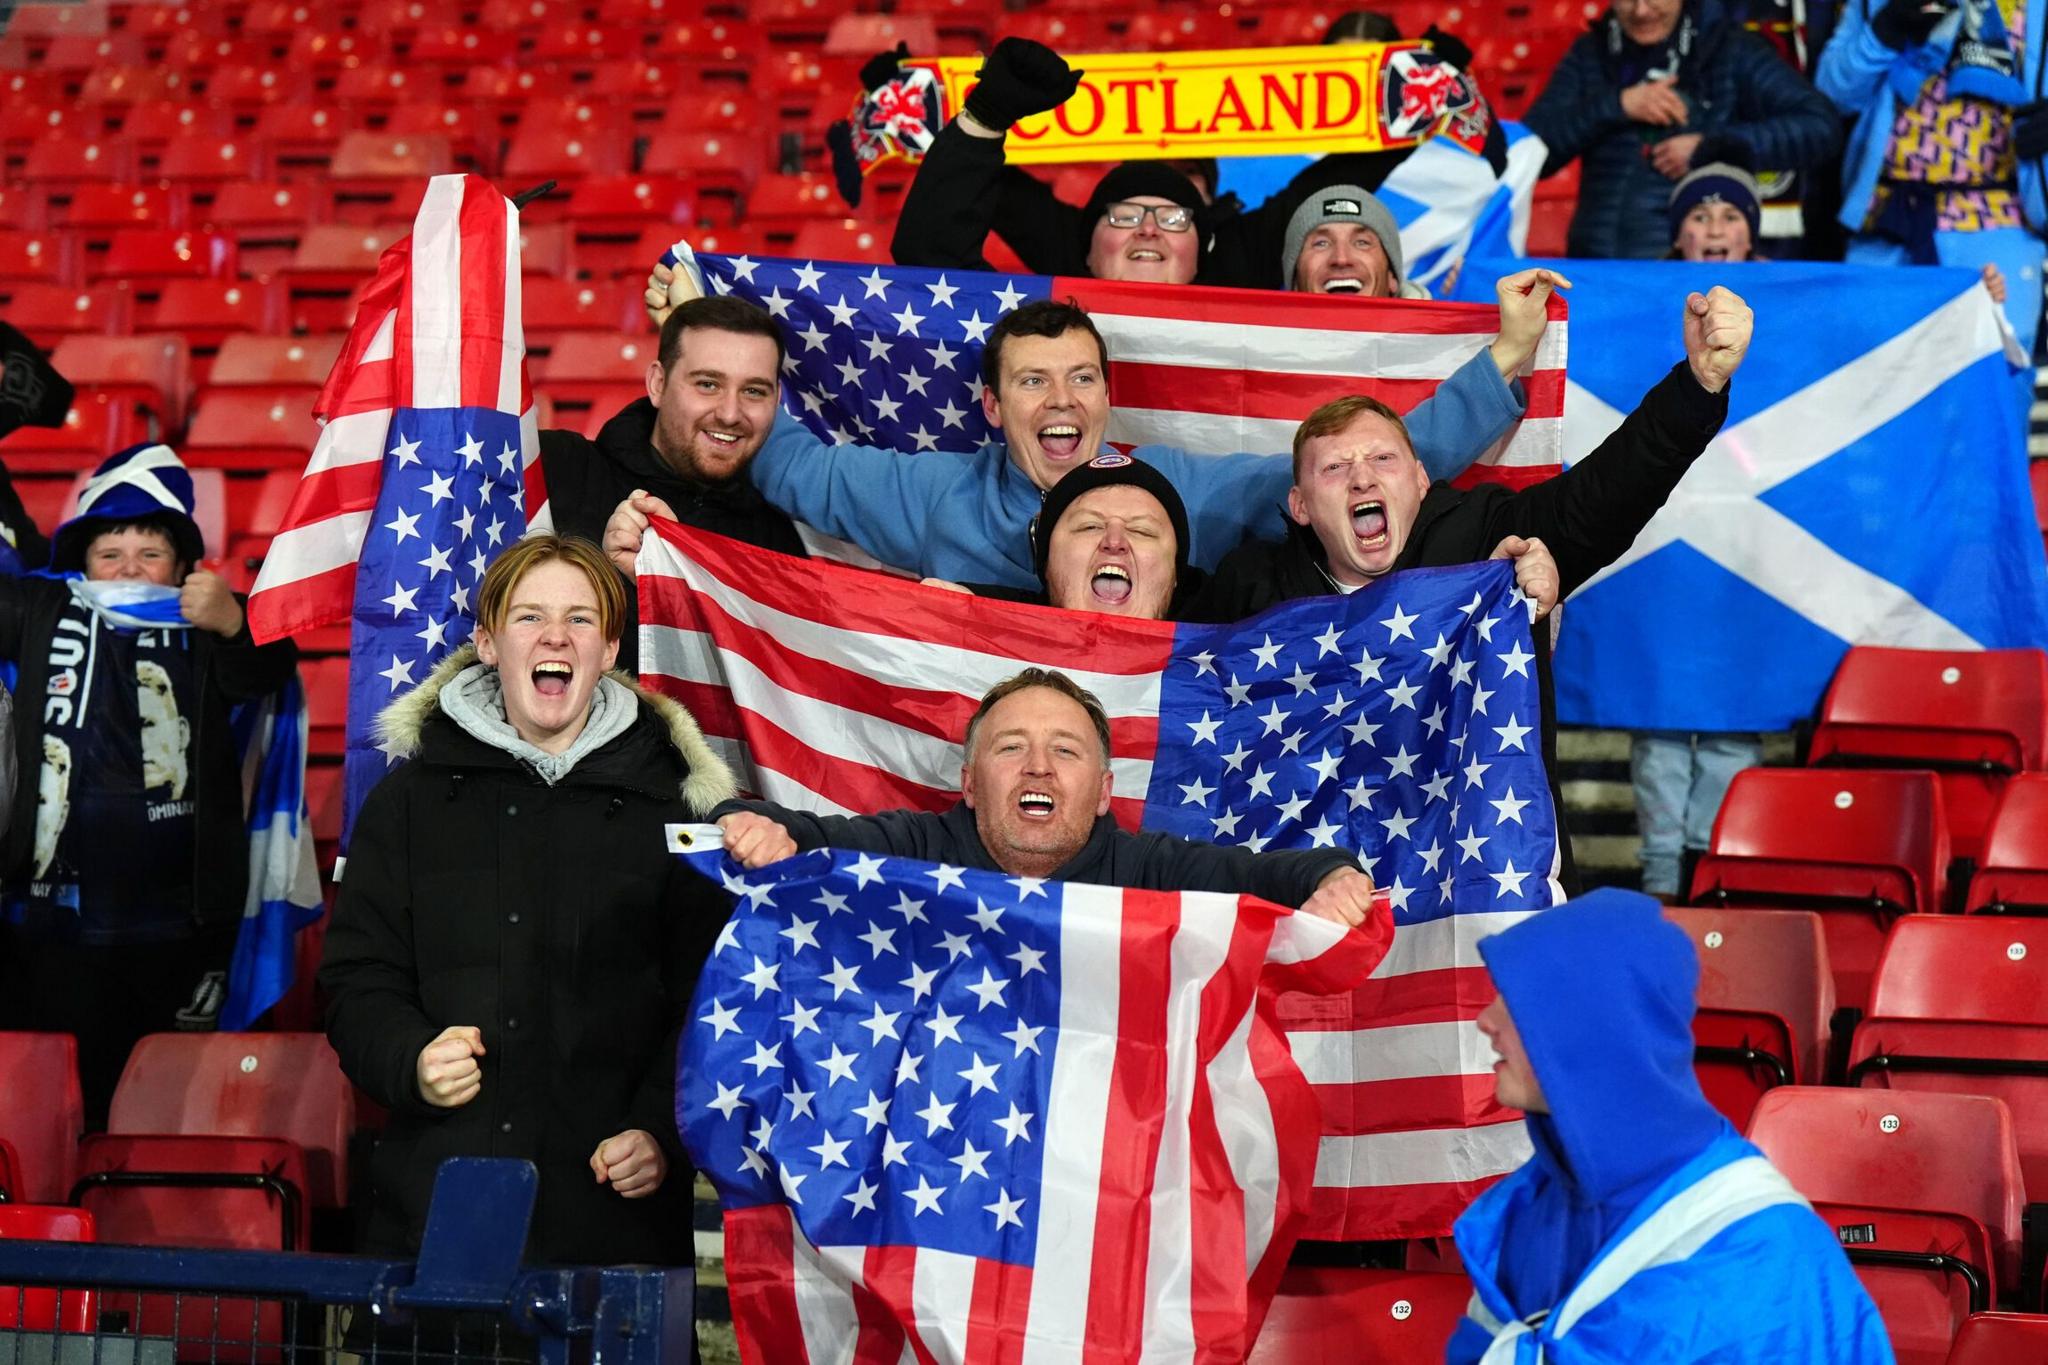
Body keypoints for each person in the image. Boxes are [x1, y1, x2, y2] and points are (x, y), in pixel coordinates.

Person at [1190, 285, 1754, 891]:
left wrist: (1697, 386)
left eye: (1382, 460)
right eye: (1334, 468)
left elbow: (1604, 496)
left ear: (1420, 481)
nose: (1361, 480)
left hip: (1476, 884)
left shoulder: (1485, 539)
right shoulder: (1249, 589)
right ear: (1300, 506)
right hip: (1310, 894)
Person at [319, 534, 737, 1267]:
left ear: (609, 650)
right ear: (487, 643)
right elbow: (358, 978)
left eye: (581, 619)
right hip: (437, 1209)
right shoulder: (406, 800)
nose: (555, 636)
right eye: (529, 616)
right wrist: (409, 1057)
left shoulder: (677, 810)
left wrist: (660, 1132)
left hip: (616, 1221)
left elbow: (711, 998)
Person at [630, 275, 1556, 591]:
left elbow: (1352, 470)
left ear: (1108, 398)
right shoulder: (933, 496)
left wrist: (1504, 359)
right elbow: (788, 459)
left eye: (1081, 378)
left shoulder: (1181, 491)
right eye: (1033, 382)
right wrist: (700, 338)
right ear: (993, 408)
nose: (1060, 401)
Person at [1450, 889, 1894, 1363]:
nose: (1485, 1020)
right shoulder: (1534, 1202)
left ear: (1587, 1028)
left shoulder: (1761, 1247)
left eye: (1515, 1002)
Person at [0, 442, 299, 1120]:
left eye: (150, 553)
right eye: (109, 553)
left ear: (186, 566)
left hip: (179, 926)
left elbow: (272, 667)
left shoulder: (209, 621)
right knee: (49, 1107)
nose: (129, 568)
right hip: (49, 922)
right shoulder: (41, 606)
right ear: (80, 562)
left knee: (165, 1104)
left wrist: (235, 624)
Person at [716, 667, 1383, 931]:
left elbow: (1269, 876)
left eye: (1065, 751)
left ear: (1104, 792)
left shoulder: (1149, 868)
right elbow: (789, 831)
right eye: (1011, 748)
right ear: (970, 783)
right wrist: (747, 825)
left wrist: (1333, 877)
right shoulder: (917, 847)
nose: (1038, 766)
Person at [885, 35, 1476, 290]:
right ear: (1084, 250)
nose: (1147, 229)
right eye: (1124, 215)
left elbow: (1322, 187)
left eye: (1174, 218)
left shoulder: (1248, 292)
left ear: (1205, 247)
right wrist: (982, 117)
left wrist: (1411, 108)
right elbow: (929, 254)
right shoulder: (1039, 320)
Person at [541, 295, 806, 671]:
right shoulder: (554, 468)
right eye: (708, 384)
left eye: (753, 391)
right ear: (658, 383)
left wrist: (672, 581)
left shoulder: (780, 542)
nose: (730, 413)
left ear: (776, 400)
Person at [1815, 0, 2047, 363]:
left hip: (1999, 223)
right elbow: (1832, 94)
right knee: (1870, 379)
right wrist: (1883, 32)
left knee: (1993, 382)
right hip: (1889, 221)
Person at [1522, 0, 1841, 259]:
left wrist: (1710, 148)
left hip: (1694, 272)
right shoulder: (1591, 53)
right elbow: (1528, 153)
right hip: (1598, 269)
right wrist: (1617, 105)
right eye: (1627, 0)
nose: (1641, 11)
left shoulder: (1729, 48)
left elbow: (1821, 126)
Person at [1282, 185, 1434, 297]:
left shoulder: (1441, 332)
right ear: (1295, 281)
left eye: (1362, 242)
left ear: (1391, 277)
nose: (1341, 259)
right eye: (1321, 243)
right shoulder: (1266, 333)